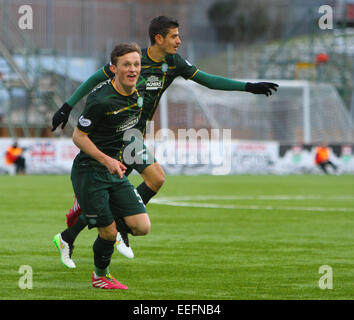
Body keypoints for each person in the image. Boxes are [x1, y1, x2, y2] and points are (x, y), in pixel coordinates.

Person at [51, 16, 279, 259]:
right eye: (174, 36)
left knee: (151, 181)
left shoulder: (173, 63)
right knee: (122, 190)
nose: (179, 41)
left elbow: (208, 81)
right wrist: (67, 106)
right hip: (117, 136)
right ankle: (89, 235)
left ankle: (76, 235)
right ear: (159, 38)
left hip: (135, 135)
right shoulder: (134, 61)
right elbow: (96, 78)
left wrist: (248, 86)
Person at [53, 43, 149, 290]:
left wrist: (127, 155)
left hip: (114, 169)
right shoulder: (100, 100)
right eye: (126, 64)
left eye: (136, 64)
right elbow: (78, 137)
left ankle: (80, 218)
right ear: (114, 68)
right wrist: (106, 159)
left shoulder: (140, 93)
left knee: (141, 227)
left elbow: (128, 128)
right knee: (108, 233)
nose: (133, 69)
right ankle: (100, 277)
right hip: (90, 170)